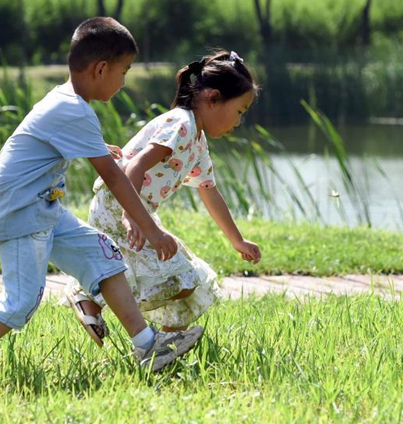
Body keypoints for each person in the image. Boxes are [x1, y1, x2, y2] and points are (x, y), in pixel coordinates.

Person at [0, 17, 203, 375]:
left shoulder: (67, 102)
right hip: (21, 211)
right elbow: (117, 180)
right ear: (101, 69)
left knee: (105, 258)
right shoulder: (74, 110)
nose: (124, 81)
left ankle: (149, 347)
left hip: (42, 206)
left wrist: (95, 146)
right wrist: (151, 230)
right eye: (124, 71)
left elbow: (41, 142)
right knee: (18, 304)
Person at [64, 50, 262, 342]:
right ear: (214, 98)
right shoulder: (181, 125)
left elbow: (210, 191)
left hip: (136, 209)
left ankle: (165, 343)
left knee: (188, 280)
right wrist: (133, 217)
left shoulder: (197, 139)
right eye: (240, 111)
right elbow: (135, 165)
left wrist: (237, 240)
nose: (239, 122)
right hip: (119, 204)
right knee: (175, 275)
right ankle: (86, 296)